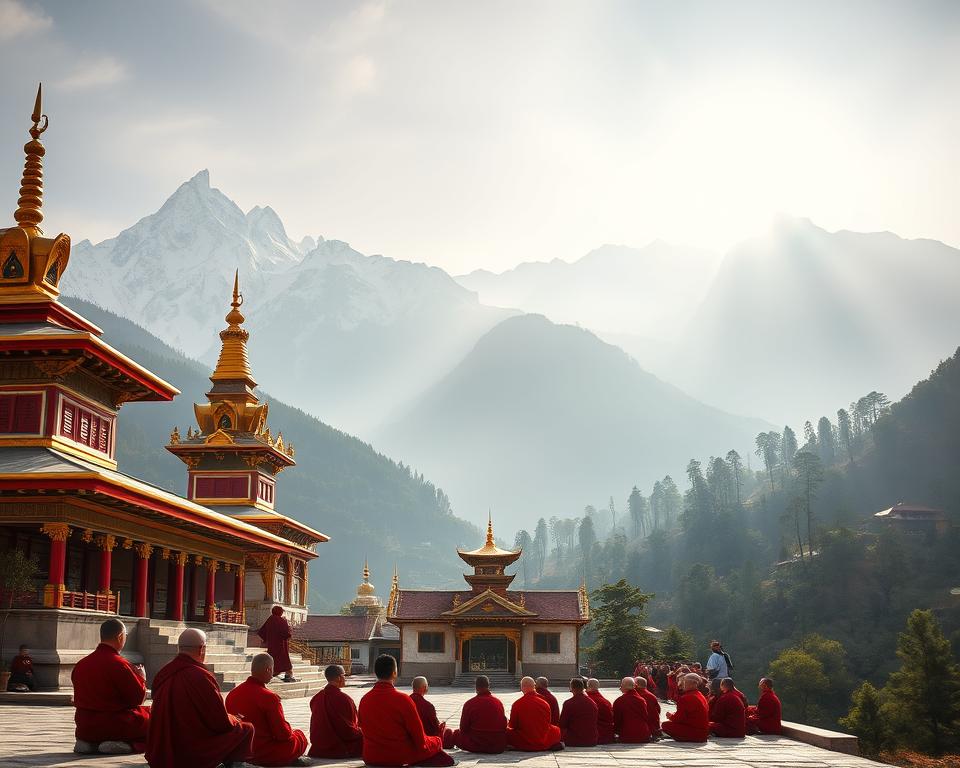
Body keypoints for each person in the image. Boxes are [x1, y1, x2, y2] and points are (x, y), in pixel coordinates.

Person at [146, 627, 254, 768]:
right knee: (246, 728)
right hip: (191, 749)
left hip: (162, 748)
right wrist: (234, 719)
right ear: (202, 649)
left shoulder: (164, 672)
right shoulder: (201, 677)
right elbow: (221, 722)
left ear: (179, 648)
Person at [71, 618, 150, 755]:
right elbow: (137, 699)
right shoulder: (120, 664)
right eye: (125, 636)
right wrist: (142, 678)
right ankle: (127, 745)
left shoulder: (81, 664)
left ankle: (89, 743)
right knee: (155, 719)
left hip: (85, 726)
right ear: (120, 637)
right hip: (114, 725)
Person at [358, 654, 454, 766]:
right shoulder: (403, 700)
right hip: (399, 756)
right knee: (437, 741)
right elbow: (420, 740)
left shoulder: (364, 700)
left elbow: (361, 727)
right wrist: (437, 740)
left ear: (376, 673)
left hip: (371, 756)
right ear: (394, 673)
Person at [225, 652, 309, 766]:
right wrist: (291, 730)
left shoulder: (232, 694)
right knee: (299, 737)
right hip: (263, 753)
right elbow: (283, 735)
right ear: (269, 669)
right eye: (272, 670)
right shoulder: (269, 696)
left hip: (240, 751)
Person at [309, 664, 364, 758]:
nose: (345, 679)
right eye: (344, 676)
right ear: (339, 678)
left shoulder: (316, 698)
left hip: (318, 745)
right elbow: (349, 731)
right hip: (339, 746)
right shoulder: (344, 699)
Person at [507, 676, 564, 751]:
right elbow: (548, 723)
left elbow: (512, 725)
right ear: (534, 686)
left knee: (506, 731)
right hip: (543, 739)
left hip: (525, 739)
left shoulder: (517, 704)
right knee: (556, 730)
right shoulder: (544, 703)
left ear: (522, 687)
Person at [453, 675, 508, 754]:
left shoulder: (469, 703)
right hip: (497, 746)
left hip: (476, 745)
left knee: (456, 734)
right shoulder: (498, 702)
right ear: (488, 686)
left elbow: (463, 728)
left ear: (476, 687)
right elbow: (503, 725)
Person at [661, 673, 709, 743]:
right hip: (703, 732)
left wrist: (670, 716)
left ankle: (684, 737)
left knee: (665, 725)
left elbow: (678, 718)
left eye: (685, 682)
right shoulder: (700, 694)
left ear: (693, 684)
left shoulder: (687, 697)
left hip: (695, 732)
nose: (683, 684)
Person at [411, 676, 455, 749]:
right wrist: (441, 726)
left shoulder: (406, 701)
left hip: (409, 737)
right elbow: (435, 727)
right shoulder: (428, 706)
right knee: (449, 732)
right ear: (425, 687)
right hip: (424, 738)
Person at [257, 606, 296, 682]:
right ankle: (288, 675)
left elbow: (262, 631)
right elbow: (286, 634)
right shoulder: (282, 621)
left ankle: (270, 674)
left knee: (273, 660)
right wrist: (289, 633)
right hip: (281, 645)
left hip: (272, 645)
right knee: (284, 660)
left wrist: (266, 640)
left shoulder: (270, 619)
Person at [558, 677, 598, 747]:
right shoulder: (592, 703)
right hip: (591, 740)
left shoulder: (568, 703)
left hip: (574, 740)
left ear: (572, 688)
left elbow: (562, 724)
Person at [613, 677, 650, 744]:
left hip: (627, 735)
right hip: (643, 735)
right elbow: (646, 716)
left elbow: (616, 719)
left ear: (624, 687)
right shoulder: (641, 700)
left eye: (621, 686)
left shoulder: (619, 701)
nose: (620, 688)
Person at [586, 678, 615, 744]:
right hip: (608, 734)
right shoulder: (606, 702)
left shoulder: (587, 700)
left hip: (594, 734)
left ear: (588, 686)